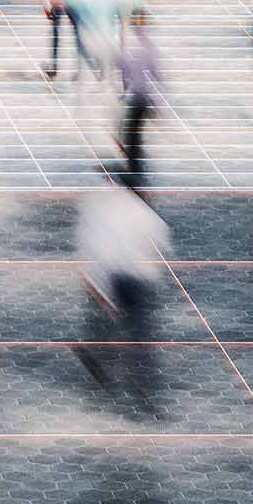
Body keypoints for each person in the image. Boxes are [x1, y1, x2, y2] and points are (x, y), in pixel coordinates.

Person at [77, 176, 169, 327]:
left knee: (108, 324)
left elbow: (99, 247)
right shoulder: (148, 216)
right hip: (140, 279)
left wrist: (93, 279)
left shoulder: (111, 214)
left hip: (118, 276)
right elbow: (157, 247)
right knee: (139, 326)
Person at [117, 22, 162, 190]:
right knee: (134, 134)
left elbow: (125, 68)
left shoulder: (137, 51)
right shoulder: (150, 50)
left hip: (139, 98)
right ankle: (136, 168)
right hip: (144, 98)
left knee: (132, 135)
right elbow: (158, 76)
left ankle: (135, 171)